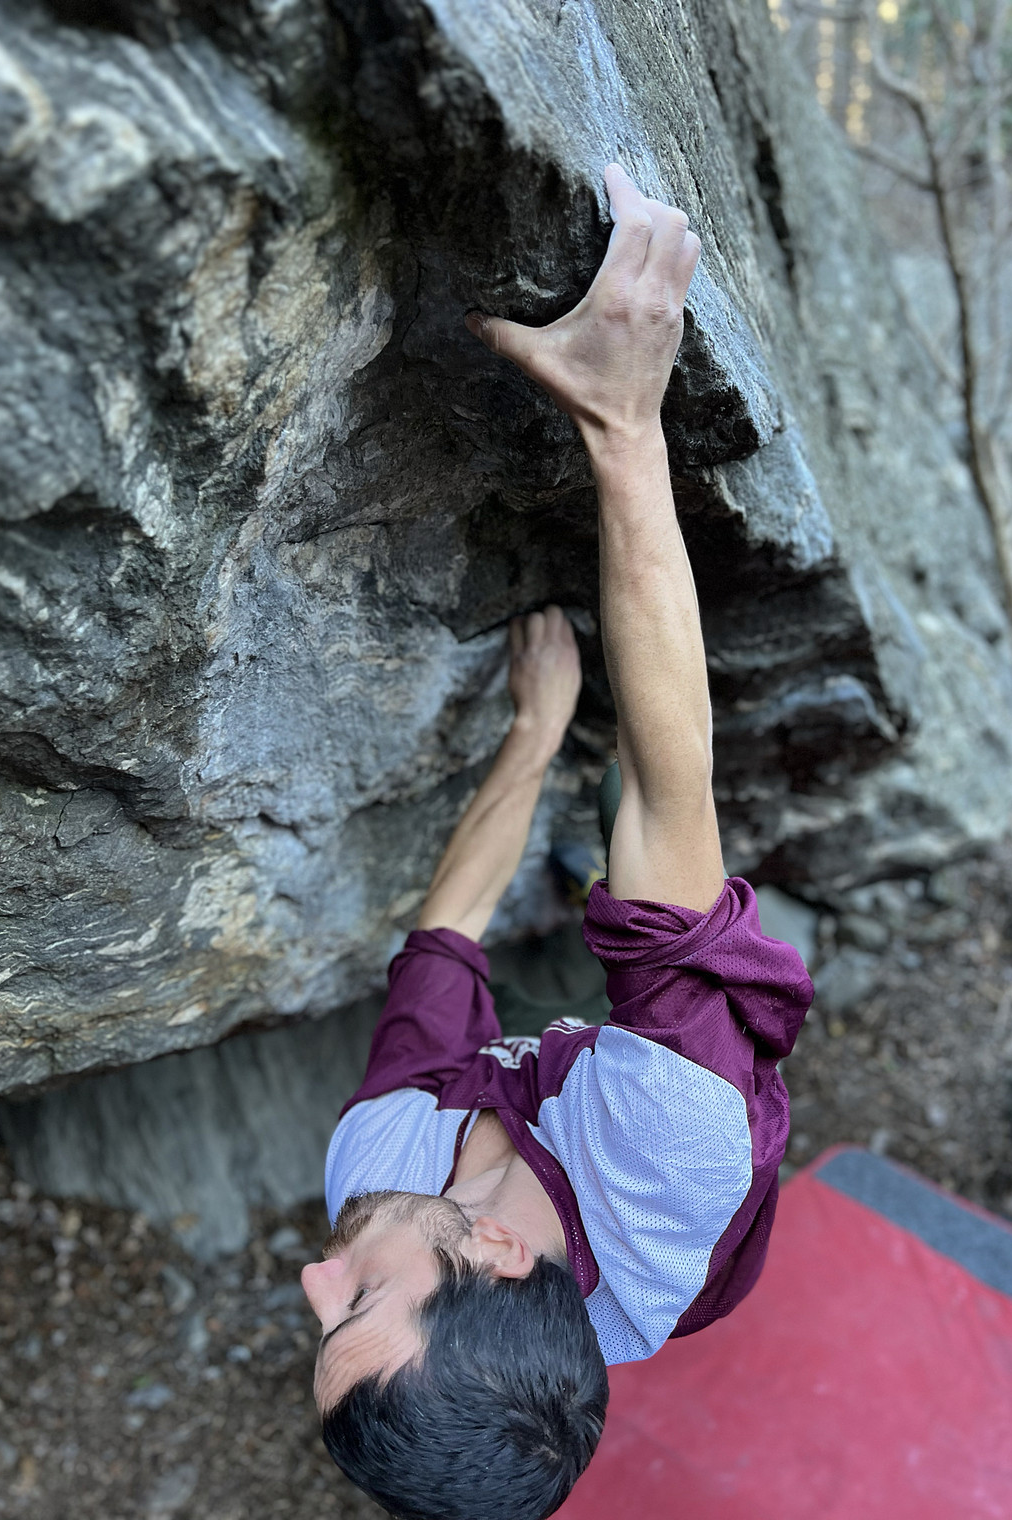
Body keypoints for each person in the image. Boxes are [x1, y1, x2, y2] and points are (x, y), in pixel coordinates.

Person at [300, 163, 814, 1520]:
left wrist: (533, 732)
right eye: (355, 1304)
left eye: (321, 1320)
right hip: (674, 1179)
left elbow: (443, 942)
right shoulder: (673, 1160)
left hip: (557, 1138)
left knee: (594, 877)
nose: (312, 1274)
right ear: (495, 1253)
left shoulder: (380, 1179)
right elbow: (672, 794)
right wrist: (622, 417)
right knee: (651, 857)